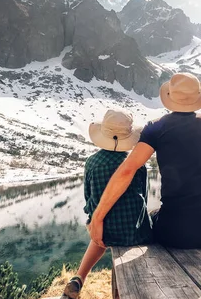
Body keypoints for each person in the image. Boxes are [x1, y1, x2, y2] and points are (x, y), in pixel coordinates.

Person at [88, 73, 201, 259]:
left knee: (155, 214)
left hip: (174, 234)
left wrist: (97, 217)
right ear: (197, 97)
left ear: (170, 97)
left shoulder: (156, 127)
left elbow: (127, 170)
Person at [61, 109, 152, 299]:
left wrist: (93, 219)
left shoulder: (92, 163)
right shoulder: (136, 163)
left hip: (103, 231)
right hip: (135, 232)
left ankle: (79, 278)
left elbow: (89, 199)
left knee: (98, 234)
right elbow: (144, 196)